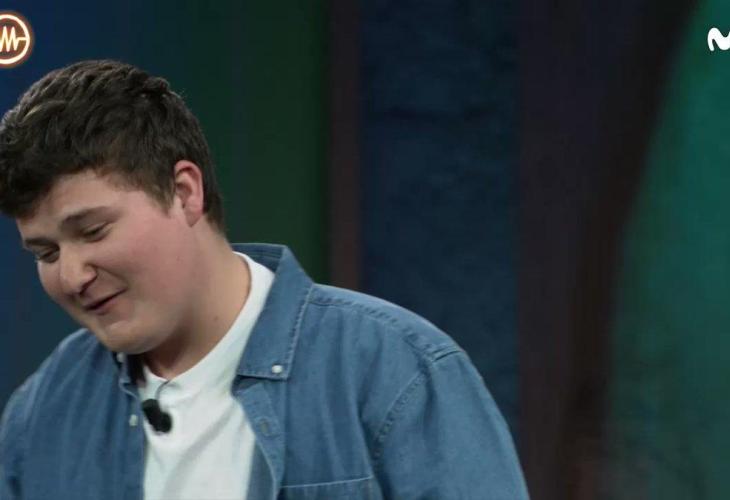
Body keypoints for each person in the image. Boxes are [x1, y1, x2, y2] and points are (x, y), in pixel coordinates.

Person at [0, 60, 529, 500]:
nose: (72, 276)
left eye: (93, 231)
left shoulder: (394, 372)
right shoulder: (41, 412)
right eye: (45, 253)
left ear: (184, 193)